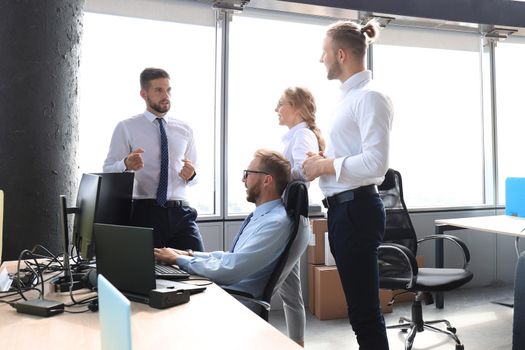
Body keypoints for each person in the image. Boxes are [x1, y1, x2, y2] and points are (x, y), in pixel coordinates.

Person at [302, 19, 393, 350]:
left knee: (365, 314)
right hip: (344, 211)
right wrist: (323, 160)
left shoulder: (371, 97)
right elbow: (351, 158)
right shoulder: (348, 98)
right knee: (360, 312)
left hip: (357, 211)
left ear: (340, 54)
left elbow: (376, 164)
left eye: (324, 53)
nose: (320, 59)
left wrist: (326, 164)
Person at [154, 149, 292, 302]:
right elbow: (230, 258)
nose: (243, 179)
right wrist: (188, 254)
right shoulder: (263, 216)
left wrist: (178, 260)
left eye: (248, 173)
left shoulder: (274, 223)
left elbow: (230, 270)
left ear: (267, 180)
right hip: (226, 292)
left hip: (234, 300)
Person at [103, 67, 204, 251]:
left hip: (182, 213)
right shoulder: (126, 127)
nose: (166, 95)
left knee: (199, 271)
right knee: (147, 275)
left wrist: (192, 174)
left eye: (168, 90)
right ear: (144, 94)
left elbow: (196, 176)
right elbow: (108, 169)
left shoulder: (185, 129)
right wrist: (125, 164)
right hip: (145, 212)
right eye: (158, 90)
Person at [274, 86, 325, 347]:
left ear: (295, 107)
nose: (276, 109)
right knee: (290, 291)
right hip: (287, 216)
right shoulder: (296, 135)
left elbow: (306, 173)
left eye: (281, 104)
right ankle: (298, 344)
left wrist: (273, 172)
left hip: (290, 219)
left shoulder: (303, 135)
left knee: (269, 282)